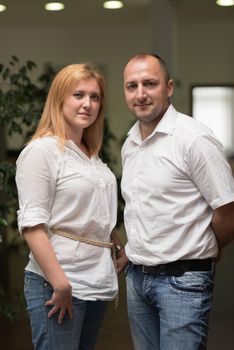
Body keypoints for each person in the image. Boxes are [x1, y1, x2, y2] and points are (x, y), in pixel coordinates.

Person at [121, 53, 234, 350]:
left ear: (169, 88)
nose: (140, 94)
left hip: (183, 283)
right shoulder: (130, 143)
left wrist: (209, 249)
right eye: (132, 86)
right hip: (137, 279)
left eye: (150, 83)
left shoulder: (193, 139)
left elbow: (227, 210)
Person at [15, 62, 126, 350]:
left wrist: (115, 242)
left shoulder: (91, 155)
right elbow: (32, 225)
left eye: (95, 97)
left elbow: (90, 211)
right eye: (78, 95)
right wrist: (60, 284)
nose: (88, 104)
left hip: (95, 279)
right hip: (59, 281)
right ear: (59, 99)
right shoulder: (41, 152)